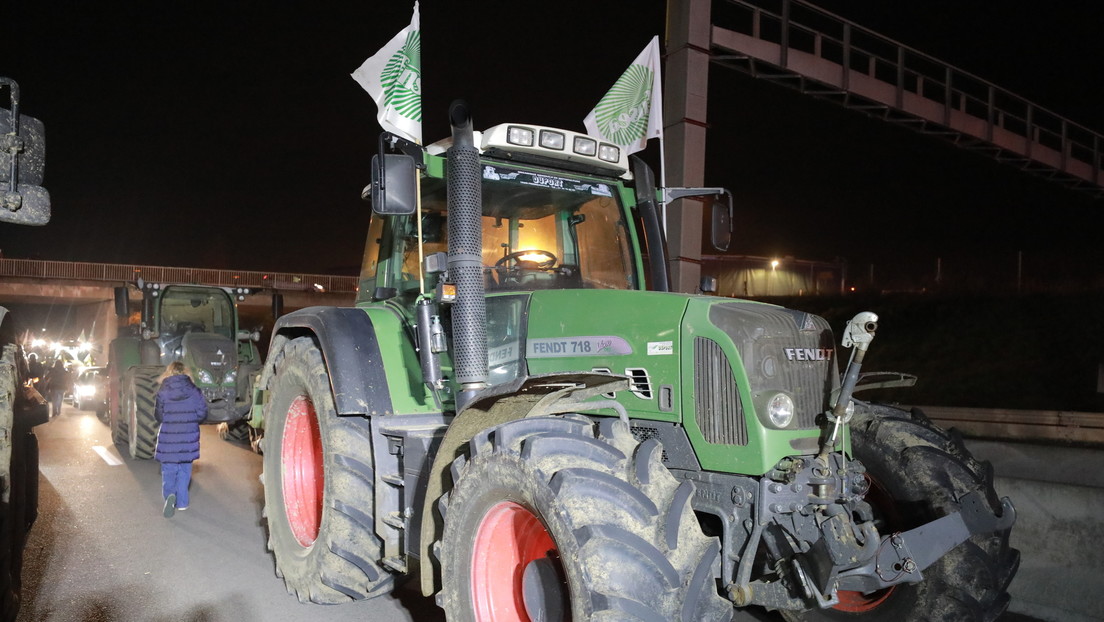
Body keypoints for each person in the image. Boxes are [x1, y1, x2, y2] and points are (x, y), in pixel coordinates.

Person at [154, 361, 207, 518]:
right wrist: (191, 419)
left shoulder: (163, 391)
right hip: (188, 436)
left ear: (169, 373)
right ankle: (182, 502)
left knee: (169, 470)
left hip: (169, 437)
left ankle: (169, 496)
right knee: (185, 471)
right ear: (186, 372)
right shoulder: (194, 390)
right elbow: (202, 413)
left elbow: (159, 415)